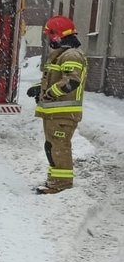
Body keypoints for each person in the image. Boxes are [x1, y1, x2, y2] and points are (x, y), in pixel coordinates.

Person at [26, 15, 88, 194]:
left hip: (63, 114)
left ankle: (61, 184)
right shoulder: (62, 54)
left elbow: (71, 81)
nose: (48, 39)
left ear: (58, 35)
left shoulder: (71, 55)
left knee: (59, 147)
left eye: (50, 35)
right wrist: (40, 88)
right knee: (52, 147)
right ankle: (55, 181)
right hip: (55, 113)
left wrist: (50, 93)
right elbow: (58, 79)